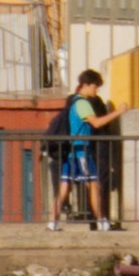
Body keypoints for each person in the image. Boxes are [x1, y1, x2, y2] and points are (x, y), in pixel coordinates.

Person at [49, 70, 113, 227]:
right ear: (86, 85)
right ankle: (102, 222)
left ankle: (52, 222)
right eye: (95, 87)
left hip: (71, 151)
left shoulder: (73, 102)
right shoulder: (83, 103)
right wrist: (119, 112)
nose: (96, 90)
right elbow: (96, 123)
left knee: (65, 187)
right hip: (81, 151)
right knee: (94, 184)